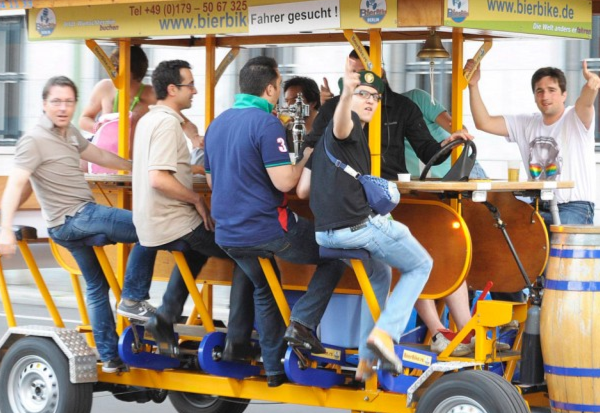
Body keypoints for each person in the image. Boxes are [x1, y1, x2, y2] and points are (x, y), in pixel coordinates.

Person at [204, 56, 347, 387]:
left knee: (264, 288)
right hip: (268, 229)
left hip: (227, 234)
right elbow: (285, 183)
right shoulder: (266, 124)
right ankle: (302, 322)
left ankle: (274, 370)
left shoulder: (217, 123)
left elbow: (213, 184)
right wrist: (308, 156)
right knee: (338, 252)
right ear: (269, 89)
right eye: (278, 87)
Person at [0, 76, 156, 374]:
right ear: (44, 104)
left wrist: (134, 167)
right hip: (74, 218)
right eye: (56, 102)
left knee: (97, 287)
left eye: (68, 102)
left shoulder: (69, 132)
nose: (63, 108)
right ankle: (133, 299)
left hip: (70, 224)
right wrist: (5, 228)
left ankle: (110, 358)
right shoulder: (32, 140)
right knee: (151, 227)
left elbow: (97, 154)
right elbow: (16, 184)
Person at [301, 60, 432, 380]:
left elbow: (303, 188)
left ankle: (365, 362)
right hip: (357, 229)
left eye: (375, 95)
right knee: (421, 264)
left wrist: (351, 94)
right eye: (363, 94)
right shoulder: (345, 128)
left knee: (380, 274)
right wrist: (346, 95)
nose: (371, 99)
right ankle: (385, 335)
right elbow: (340, 122)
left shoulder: (345, 136)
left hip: (326, 235)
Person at [130, 59, 234, 357]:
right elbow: (158, 178)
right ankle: (239, 335)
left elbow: (164, 169)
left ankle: (166, 316)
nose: (196, 91)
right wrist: (196, 198)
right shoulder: (166, 124)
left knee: (197, 250)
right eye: (190, 85)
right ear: (173, 89)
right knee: (245, 253)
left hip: (157, 221)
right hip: (173, 221)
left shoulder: (151, 119)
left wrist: (192, 169)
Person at [465, 59, 597, 227]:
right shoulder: (527, 123)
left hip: (574, 207)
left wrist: (591, 86)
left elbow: (585, 103)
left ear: (564, 94)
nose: (545, 96)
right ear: (534, 96)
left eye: (552, 90)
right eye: (539, 91)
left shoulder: (574, 117)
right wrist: (473, 85)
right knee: (501, 230)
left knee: (560, 249)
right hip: (536, 206)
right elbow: (484, 122)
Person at [311, 46, 470, 180]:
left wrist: (447, 144)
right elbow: (311, 147)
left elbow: (428, 152)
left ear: (379, 72)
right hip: (344, 190)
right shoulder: (333, 108)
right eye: (353, 73)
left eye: (364, 72)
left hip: (391, 190)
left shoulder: (403, 107)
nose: (358, 79)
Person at [79, 45, 203, 170]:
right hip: (103, 163)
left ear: (135, 69)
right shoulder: (104, 88)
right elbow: (83, 119)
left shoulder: (152, 95)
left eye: (116, 65)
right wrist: (97, 127)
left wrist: (194, 137)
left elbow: (183, 121)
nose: (112, 69)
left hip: (135, 165)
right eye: (112, 64)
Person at [402, 88, 487, 180]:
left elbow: (459, 129)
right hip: (427, 181)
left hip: (461, 170)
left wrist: (460, 133)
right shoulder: (386, 113)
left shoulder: (416, 98)